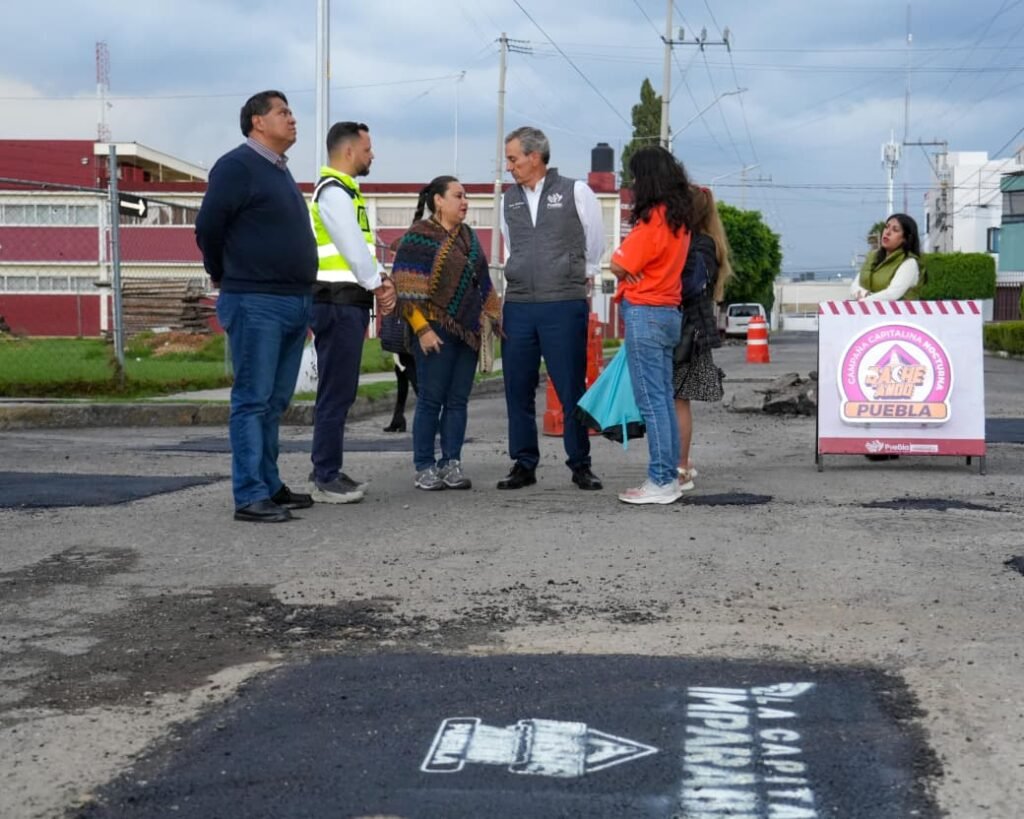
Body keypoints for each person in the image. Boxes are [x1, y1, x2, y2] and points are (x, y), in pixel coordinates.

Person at [195, 90, 318, 524]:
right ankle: (249, 494)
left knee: (274, 401)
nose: (292, 118)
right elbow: (208, 226)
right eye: (283, 112)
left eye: (292, 111)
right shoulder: (237, 166)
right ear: (257, 122)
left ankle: (269, 484)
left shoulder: (278, 170)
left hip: (293, 300)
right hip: (255, 301)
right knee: (252, 399)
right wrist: (221, 271)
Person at [498, 126, 606, 491]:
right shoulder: (508, 200)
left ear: (534, 157)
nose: (509, 166)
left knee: (570, 386)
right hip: (519, 305)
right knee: (517, 387)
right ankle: (523, 463)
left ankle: (580, 464)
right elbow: (511, 246)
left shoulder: (576, 191)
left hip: (563, 303)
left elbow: (594, 243)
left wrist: (577, 274)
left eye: (513, 159)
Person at [391, 175, 501, 490]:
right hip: (433, 329)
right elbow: (405, 290)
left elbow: (483, 282)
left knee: (458, 401)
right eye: (458, 196)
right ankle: (424, 466)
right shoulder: (418, 237)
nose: (465, 202)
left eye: (465, 196)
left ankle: (451, 462)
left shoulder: (469, 237)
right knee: (430, 399)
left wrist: (492, 314)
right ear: (438, 200)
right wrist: (422, 330)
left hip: (467, 331)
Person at [307, 122, 396, 504]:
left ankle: (328, 468)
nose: (372, 155)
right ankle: (325, 476)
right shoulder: (334, 192)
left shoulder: (345, 191)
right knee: (336, 391)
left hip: (345, 301)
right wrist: (378, 283)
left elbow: (360, 246)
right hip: (337, 302)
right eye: (367, 149)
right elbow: (350, 246)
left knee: (340, 391)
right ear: (348, 152)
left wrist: (378, 277)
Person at [610, 146, 694, 505]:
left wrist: (628, 269)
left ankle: (661, 480)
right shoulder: (679, 219)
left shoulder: (651, 220)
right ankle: (670, 475)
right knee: (663, 398)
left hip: (645, 312)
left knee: (651, 400)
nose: (632, 183)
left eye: (634, 176)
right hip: (668, 312)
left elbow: (618, 263)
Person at [673, 186, 733, 488]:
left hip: (688, 331)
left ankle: (680, 467)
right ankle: (680, 463)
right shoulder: (706, 242)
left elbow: (690, 285)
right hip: (689, 330)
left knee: (677, 399)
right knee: (675, 398)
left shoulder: (700, 244)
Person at [850, 213, 924, 301]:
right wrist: (865, 294)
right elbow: (855, 286)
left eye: (895, 230)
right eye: (886, 227)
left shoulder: (909, 263)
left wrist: (865, 299)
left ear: (905, 239)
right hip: (866, 308)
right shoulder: (872, 257)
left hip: (897, 310)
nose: (887, 232)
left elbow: (892, 294)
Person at [382, 351, 418, 432]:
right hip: (401, 354)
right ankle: (398, 419)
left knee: (418, 390)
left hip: (408, 354)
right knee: (402, 389)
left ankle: (432, 420)